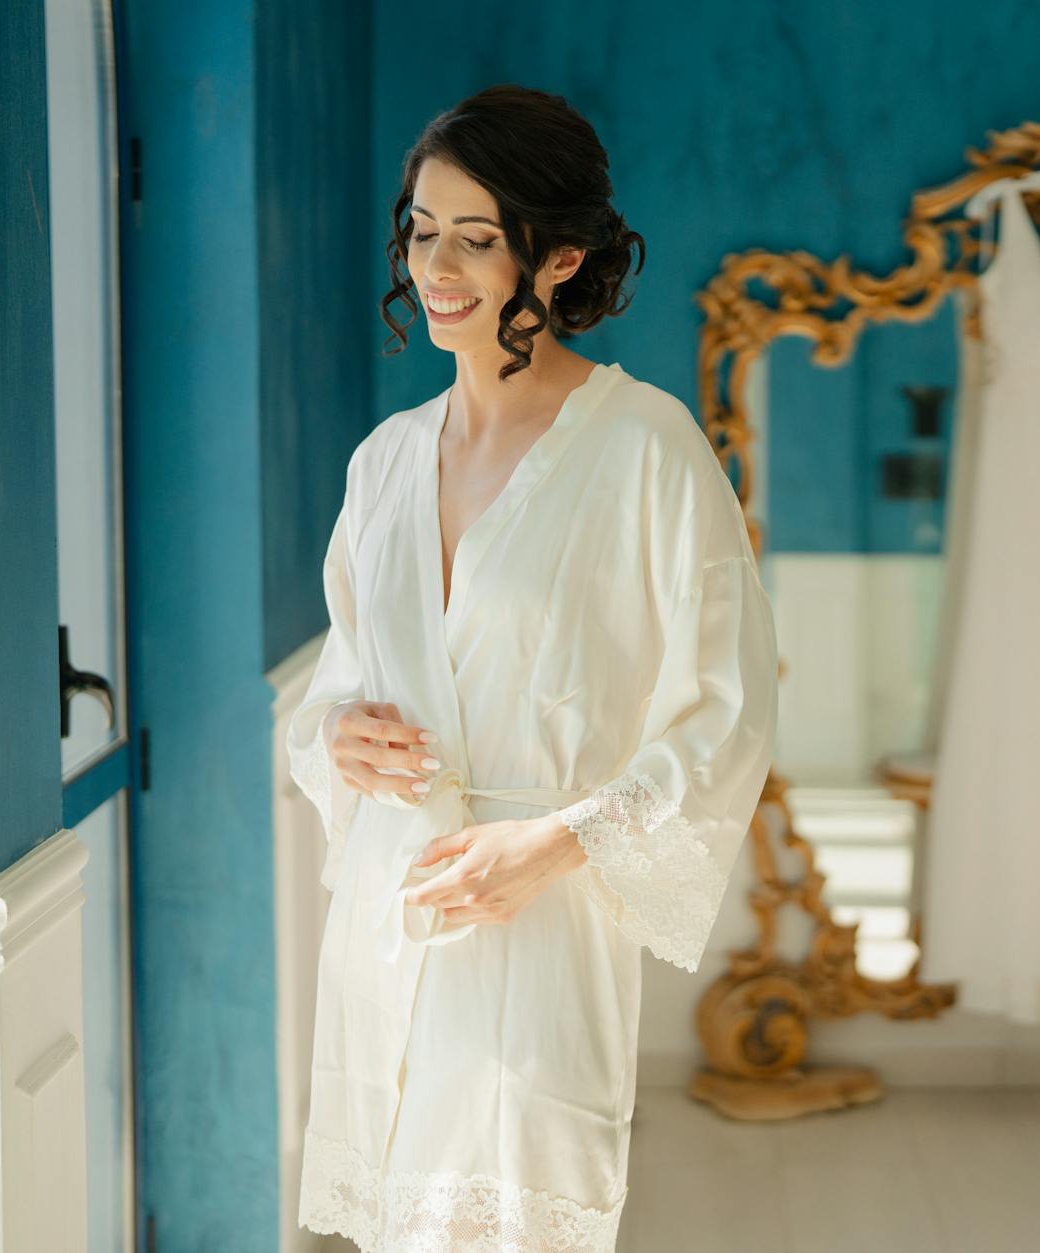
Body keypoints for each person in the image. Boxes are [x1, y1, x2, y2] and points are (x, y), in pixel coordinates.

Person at [285, 85, 780, 1252]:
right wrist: (337, 736)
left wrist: (557, 841)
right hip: (392, 899)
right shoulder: (385, 464)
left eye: (476, 235)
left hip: (541, 910)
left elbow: (731, 704)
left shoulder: (644, 445)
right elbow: (337, 686)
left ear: (557, 258)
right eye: (420, 229)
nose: (436, 265)